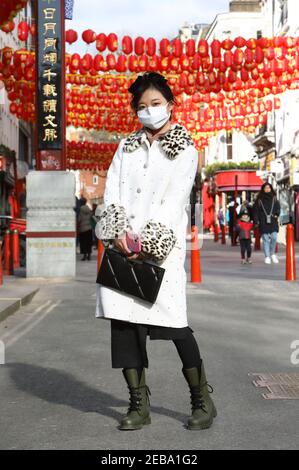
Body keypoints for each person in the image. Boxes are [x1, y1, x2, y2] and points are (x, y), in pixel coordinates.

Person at [95, 72, 217, 431]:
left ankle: (202, 400)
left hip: (161, 249)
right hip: (121, 247)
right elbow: (111, 192)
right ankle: (138, 404)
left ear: (170, 105)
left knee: (175, 324)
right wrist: (117, 233)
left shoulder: (185, 149)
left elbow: (174, 199)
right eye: (142, 106)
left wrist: (147, 244)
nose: (149, 111)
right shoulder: (126, 147)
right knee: (124, 326)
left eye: (155, 104)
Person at [253, 182, 281, 264]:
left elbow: (278, 208)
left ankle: (272, 254)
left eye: (268, 188)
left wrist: (277, 214)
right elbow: (255, 211)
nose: (267, 189)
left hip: (272, 220)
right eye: (265, 188)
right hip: (263, 221)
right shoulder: (259, 200)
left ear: (271, 189)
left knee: (274, 237)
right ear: (263, 189)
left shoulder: (274, 198)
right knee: (265, 239)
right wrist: (256, 220)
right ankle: (267, 256)